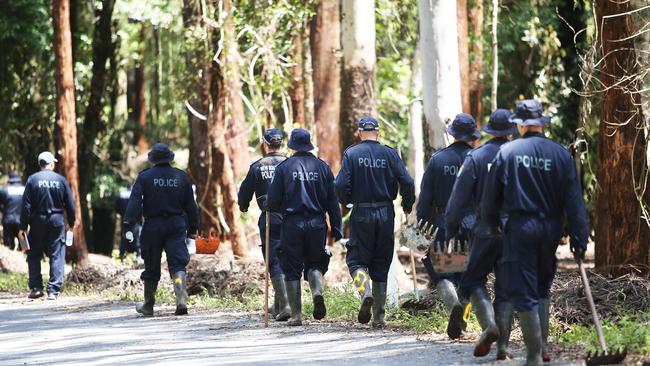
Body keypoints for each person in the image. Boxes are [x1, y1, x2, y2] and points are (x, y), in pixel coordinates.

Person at [481, 100, 589, 365]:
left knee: (525, 288)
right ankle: (542, 348)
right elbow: (575, 201)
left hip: (519, 227)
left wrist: (492, 224)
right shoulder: (561, 154)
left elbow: (490, 198)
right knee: (542, 287)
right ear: (541, 123)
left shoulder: (507, 152)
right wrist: (579, 237)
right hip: (551, 229)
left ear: (519, 124)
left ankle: (533, 356)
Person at [445, 109, 517, 359]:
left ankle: (489, 324)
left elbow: (458, 198)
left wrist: (450, 228)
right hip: (514, 230)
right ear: (511, 131)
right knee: (506, 287)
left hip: (485, 229)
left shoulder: (476, 156)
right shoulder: (517, 155)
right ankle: (504, 347)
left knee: (472, 280)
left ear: (489, 130)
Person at [334, 116, 415, 327]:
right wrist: (407, 205)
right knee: (381, 260)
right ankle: (379, 317)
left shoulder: (352, 153)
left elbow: (340, 184)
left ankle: (365, 292)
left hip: (362, 213)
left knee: (356, 261)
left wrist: (348, 200)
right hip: (386, 213)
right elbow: (407, 181)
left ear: (360, 133)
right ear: (378, 133)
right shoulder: (389, 154)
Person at [267, 128, 343, 326]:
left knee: (291, 267)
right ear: (309, 144)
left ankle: (297, 315)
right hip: (318, 223)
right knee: (315, 262)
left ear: (292, 145)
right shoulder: (323, 167)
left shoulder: (284, 168)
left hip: (292, 223)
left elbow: (273, 201)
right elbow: (333, 202)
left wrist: (271, 206)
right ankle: (317, 291)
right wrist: (337, 227)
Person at [416, 113, 480, 339]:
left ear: (452, 134)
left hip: (445, 224)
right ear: (472, 135)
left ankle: (452, 303)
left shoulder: (438, 160)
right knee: (470, 279)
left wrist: (422, 232)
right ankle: (462, 321)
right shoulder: (478, 159)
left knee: (444, 274)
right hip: (474, 225)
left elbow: (425, 201)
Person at [123, 143, 199, 316]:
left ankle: (148, 305)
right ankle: (181, 298)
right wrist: (193, 228)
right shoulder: (181, 176)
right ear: (169, 158)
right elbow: (191, 206)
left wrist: (128, 225)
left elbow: (134, 203)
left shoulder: (145, 177)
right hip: (176, 225)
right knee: (178, 263)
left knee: (151, 265)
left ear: (153, 159)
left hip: (153, 226)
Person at [238, 128, 290, 322]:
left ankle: (284, 305)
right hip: (291, 217)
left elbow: (245, 192)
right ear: (282, 144)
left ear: (265, 144)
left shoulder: (258, 166)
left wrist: (243, 206)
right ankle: (280, 303)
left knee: (274, 259)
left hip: (270, 217)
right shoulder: (289, 163)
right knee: (288, 259)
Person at [19, 152, 75, 300]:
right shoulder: (60, 180)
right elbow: (70, 204)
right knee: (57, 253)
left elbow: (26, 206)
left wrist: (23, 226)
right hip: (56, 221)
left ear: (40, 164)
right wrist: (71, 222)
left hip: (37, 221)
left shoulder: (32, 179)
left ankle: (36, 288)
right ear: (51, 163)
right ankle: (53, 290)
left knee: (34, 253)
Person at [115, 185, 142, 260]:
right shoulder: (139, 195)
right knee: (137, 237)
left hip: (125, 219)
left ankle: (122, 255)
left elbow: (117, 209)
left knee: (124, 236)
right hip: (136, 220)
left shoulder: (120, 194)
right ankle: (138, 255)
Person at [0, 172, 25, 249]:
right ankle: (25, 257)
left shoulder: (4, 190)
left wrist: (3, 211)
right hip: (22, 221)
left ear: (10, 180)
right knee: (24, 246)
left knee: (8, 248)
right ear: (18, 180)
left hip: (8, 221)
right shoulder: (25, 189)